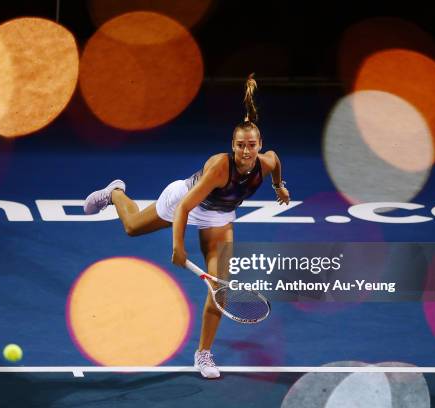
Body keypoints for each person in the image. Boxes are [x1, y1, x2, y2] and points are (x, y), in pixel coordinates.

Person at [83, 74, 290, 379]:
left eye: (252, 146)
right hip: (184, 201)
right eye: (240, 146)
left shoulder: (267, 161)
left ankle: (203, 354)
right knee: (132, 228)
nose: (246, 151)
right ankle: (115, 193)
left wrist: (279, 187)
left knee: (221, 287)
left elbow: (276, 164)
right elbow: (184, 208)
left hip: (219, 218)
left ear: (260, 146)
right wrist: (178, 247)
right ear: (232, 146)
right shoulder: (220, 168)